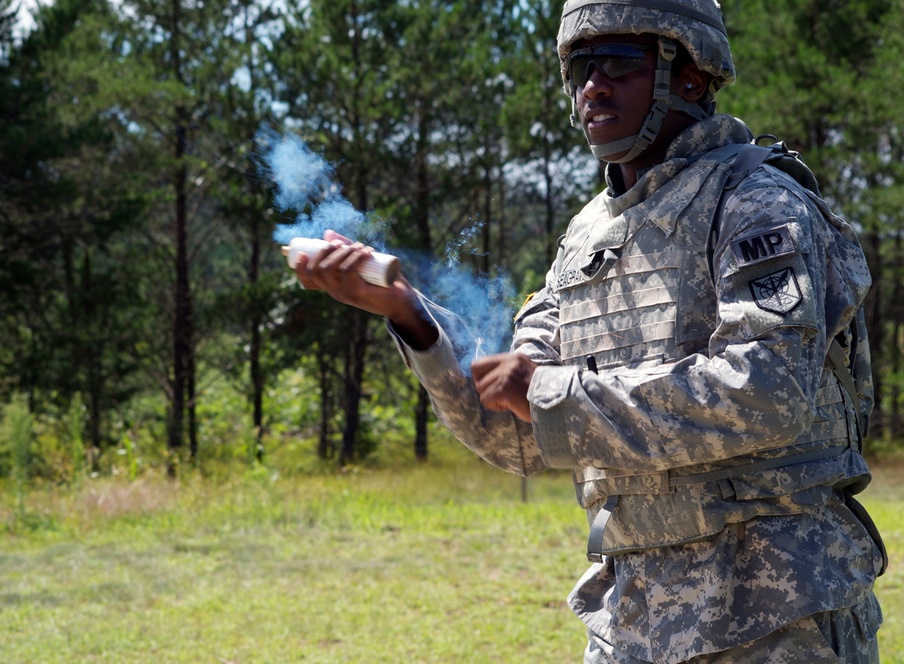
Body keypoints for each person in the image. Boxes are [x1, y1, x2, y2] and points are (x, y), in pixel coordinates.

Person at [291, 0, 885, 660]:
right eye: (578, 67)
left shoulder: (755, 202)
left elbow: (769, 390)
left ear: (691, 75)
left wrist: (556, 395)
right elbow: (518, 432)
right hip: (631, 623)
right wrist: (412, 317)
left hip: (775, 620)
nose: (591, 87)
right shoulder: (584, 238)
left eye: (618, 64)